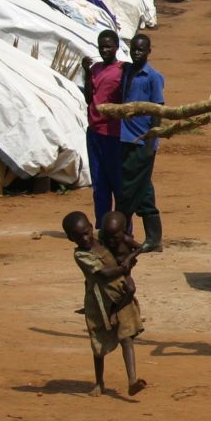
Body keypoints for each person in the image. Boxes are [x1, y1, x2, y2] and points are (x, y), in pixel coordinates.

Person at [63, 210, 146, 397]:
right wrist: (124, 266)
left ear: (91, 227)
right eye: (78, 237)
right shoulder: (81, 255)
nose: (85, 238)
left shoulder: (104, 238)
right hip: (99, 299)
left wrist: (128, 259)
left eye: (86, 232)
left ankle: (132, 381)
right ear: (70, 239)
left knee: (126, 337)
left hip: (119, 293)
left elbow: (127, 246)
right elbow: (103, 274)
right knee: (98, 343)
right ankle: (99, 382)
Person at [117, 34, 166, 251]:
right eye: (134, 49)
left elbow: (158, 111)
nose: (136, 53)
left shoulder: (153, 77)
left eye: (141, 50)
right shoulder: (127, 71)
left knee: (130, 188)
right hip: (126, 139)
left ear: (149, 51)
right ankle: (153, 239)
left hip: (142, 141)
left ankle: (121, 233)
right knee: (142, 187)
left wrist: (151, 142)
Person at [81, 30, 124, 226]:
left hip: (114, 134)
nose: (105, 50)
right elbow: (89, 98)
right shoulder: (96, 69)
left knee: (118, 183)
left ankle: (122, 227)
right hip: (95, 132)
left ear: (116, 47)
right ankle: (102, 224)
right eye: (102, 46)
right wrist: (87, 73)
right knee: (99, 183)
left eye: (108, 46)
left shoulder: (122, 70)